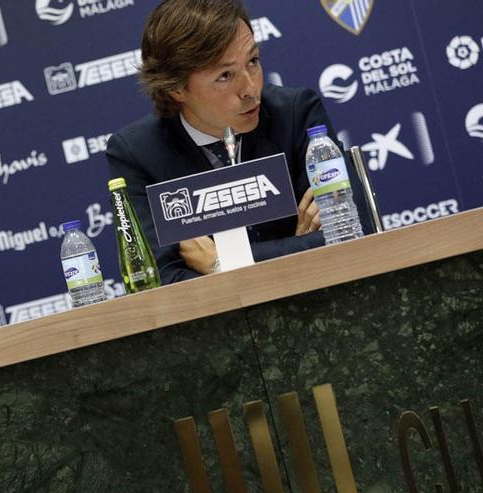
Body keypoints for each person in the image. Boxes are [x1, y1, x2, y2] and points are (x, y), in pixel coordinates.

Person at [107, 0, 367, 284]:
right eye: (225, 76)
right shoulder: (138, 154)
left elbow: (350, 230)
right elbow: (159, 278)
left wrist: (222, 263)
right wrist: (295, 250)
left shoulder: (295, 114)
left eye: (253, 62)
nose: (250, 89)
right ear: (177, 88)